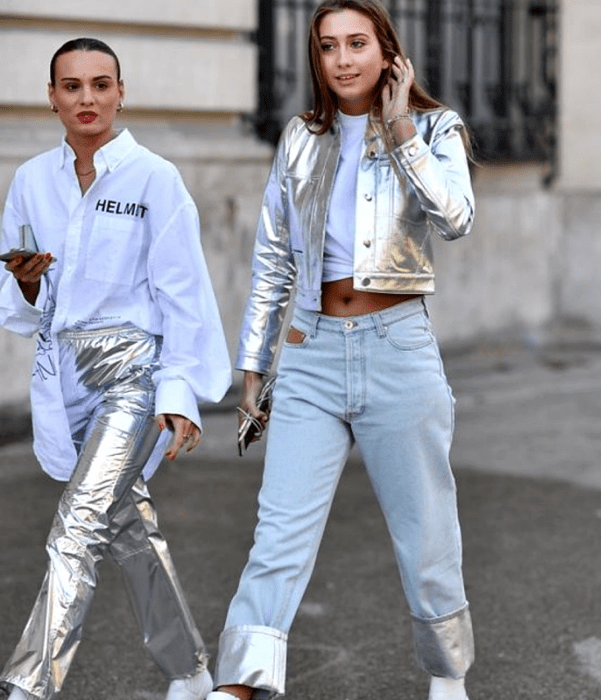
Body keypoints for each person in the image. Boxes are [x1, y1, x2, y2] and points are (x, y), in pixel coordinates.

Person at [206, 2, 476, 700]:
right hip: (310, 352)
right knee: (278, 533)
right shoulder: (300, 136)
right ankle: (239, 682)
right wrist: (252, 366)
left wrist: (399, 130)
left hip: (399, 349)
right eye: (328, 47)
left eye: (358, 43)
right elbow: (271, 259)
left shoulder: (436, 126)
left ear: (388, 51)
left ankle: (447, 677)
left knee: (425, 534)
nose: (343, 59)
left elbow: (454, 218)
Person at [0, 38, 232, 700]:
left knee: (77, 525)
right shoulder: (30, 181)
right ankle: (189, 674)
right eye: (71, 86)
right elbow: (23, 306)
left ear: (121, 92)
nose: (87, 99)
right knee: (127, 525)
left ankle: (29, 685)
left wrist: (179, 391)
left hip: (131, 375)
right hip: (62, 374)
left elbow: (182, 291)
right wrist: (25, 283)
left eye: (101, 85)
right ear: (52, 97)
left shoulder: (153, 178)